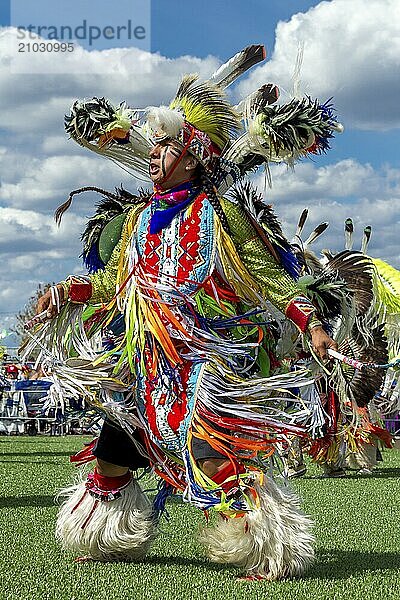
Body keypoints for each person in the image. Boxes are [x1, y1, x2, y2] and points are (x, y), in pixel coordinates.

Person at [28, 46, 342, 580]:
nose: (152, 156)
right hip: (145, 360)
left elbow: (266, 275)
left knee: (214, 455)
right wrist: (68, 294)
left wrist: (308, 321)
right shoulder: (139, 218)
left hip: (204, 359)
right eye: (151, 149)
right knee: (114, 452)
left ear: (193, 155)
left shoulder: (220, 216)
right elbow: (117, 280)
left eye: (165, 147)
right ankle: (109, 537)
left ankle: (267, 548)